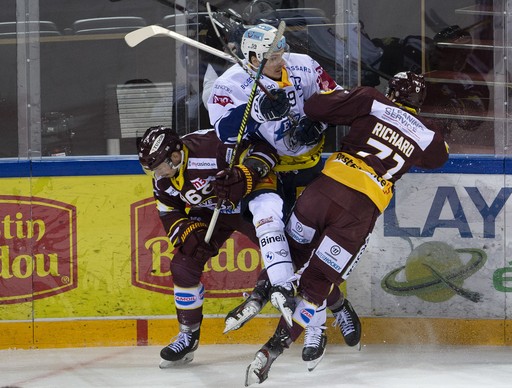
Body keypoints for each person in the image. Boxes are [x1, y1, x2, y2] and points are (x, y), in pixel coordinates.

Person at [244, 71, 450, 385]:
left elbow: (314, 107)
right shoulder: (428, 134)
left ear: (391, 90)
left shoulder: (371, 99)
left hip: (323, 192)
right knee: (316, 288)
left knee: (292, 253)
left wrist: (345, 93)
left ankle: (259, 295)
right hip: (359, 212)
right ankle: (272, 350)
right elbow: (439, 157)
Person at [207, 23, 361, 369]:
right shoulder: (228, 84)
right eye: (272, 55)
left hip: (309, 168)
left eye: (282, 50)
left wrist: (318, 124)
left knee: (315, 253)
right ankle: (320, 320)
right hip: (267, 172)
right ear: (252, 57)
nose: (281, 58)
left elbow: (333, 98)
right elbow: (224, 131)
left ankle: (322, 322)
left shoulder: (304, 64)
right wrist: (259, 111)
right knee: (291, 251)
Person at [137, 125, 278, 368]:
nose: (157, 173)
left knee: (287, 255)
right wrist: (188, 234)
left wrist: (244, 176)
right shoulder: (163, 179)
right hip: (211, 213)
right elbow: (169, 211)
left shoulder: (212, 144)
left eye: (159, 165)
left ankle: (336, 305)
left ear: (174, 155)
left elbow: (267, 150)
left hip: (250, 204)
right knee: (183, 265)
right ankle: (188, 336)